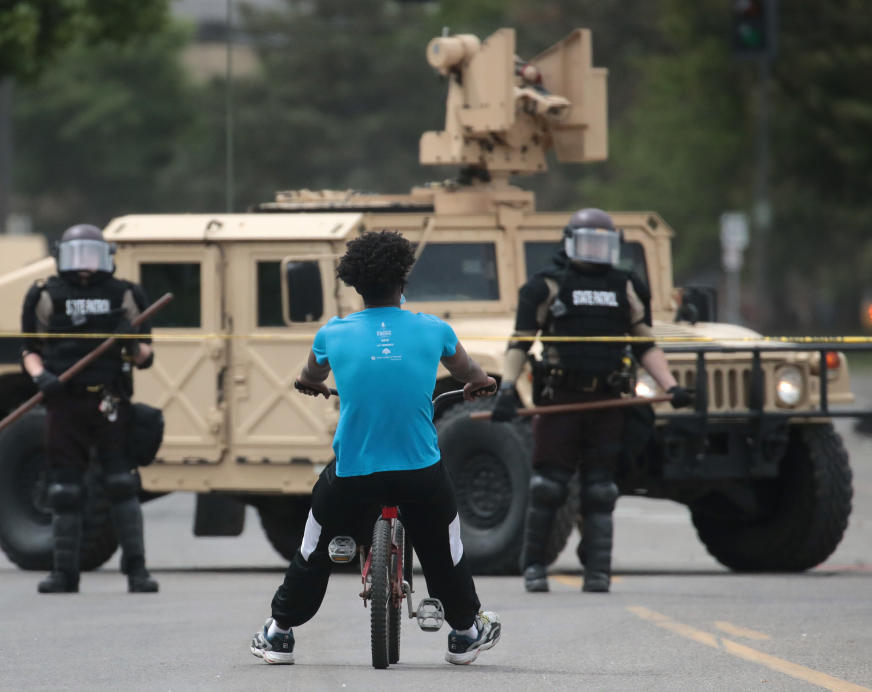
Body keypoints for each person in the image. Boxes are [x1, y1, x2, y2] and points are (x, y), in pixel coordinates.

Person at [250, 230, 501, 666]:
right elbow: (469, 371)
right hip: (419, 472)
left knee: (314, 547)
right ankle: (464, 632)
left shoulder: (332, 334)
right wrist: (479, 384)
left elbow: (310, 374)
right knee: (446, 548)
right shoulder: (433, 329)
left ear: (355, 285)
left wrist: (312, 385)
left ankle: (278, 634)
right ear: (403, 280)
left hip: (354, 473)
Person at [491, 208, 693, 593]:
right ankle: (533, 565)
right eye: (587, 242)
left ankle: (597, 570)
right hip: (559, 400)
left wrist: (671, 385)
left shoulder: (626, 286)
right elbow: (519, 342)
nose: (595, 251)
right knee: (548, 486)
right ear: (569, 243)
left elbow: (645, 344)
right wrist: (506, 389)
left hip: (607, 402)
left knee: (601, 490)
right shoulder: (546, 286)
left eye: (603, 244)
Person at [20, 224, 159, 594]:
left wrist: (130, 341)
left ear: (106, 258)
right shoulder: (45, 295)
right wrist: (40, 377)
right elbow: (28, 349)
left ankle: (137, 571)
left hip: (109, 401)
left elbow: (146, 357)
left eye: (91, 257)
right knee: (64, 489)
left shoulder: (125, 295)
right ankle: (64, 573)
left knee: (121, 484)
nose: (84, 266)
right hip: (63, 402)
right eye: (75, 257)